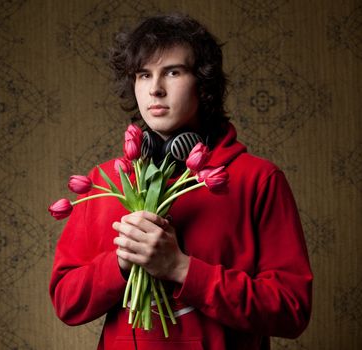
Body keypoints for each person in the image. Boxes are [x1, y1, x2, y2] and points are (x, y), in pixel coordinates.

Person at [49, 13, 312, 350]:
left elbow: (292, 310)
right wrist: (121, 263)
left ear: (204, 85)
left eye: (172, 72)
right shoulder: (104, 182)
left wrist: (182, 269)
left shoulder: (259, 180)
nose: (155, 89)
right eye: (144, 75)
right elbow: (66, 302)